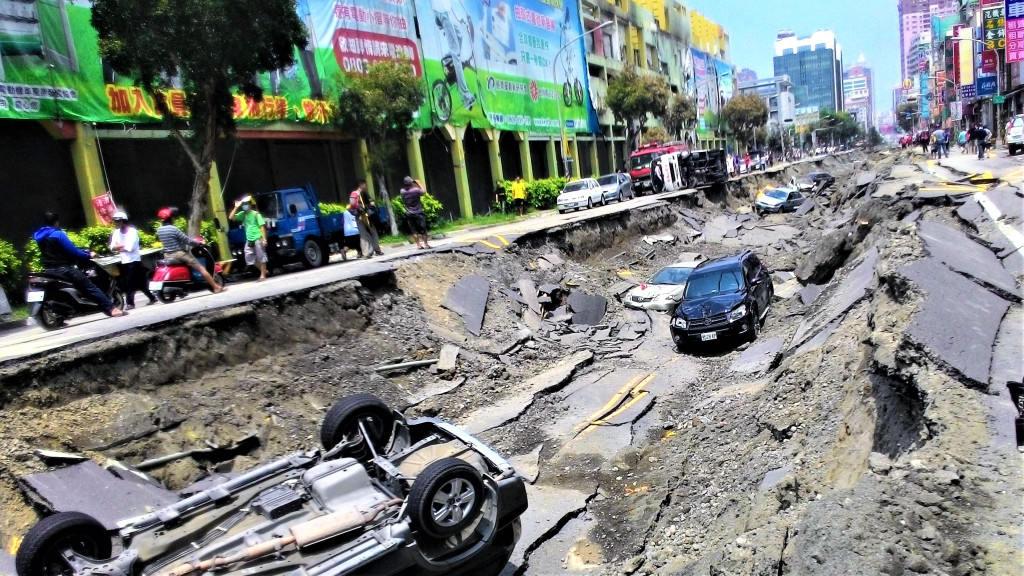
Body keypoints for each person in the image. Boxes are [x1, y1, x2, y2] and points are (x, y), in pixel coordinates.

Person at [33, 211, 124, 317]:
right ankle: (111, 309)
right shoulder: (58, 234)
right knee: (90, 286)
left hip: (48, 270)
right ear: (56, 222)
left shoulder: (39, 237)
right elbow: (74, 251)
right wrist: (89, 255)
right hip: (64, 269)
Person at [157, 207, 224, 292]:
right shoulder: (173, 229)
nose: (174, 218)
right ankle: (216, 287)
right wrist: (199, 243)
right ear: (170, 218)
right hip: (179, 254)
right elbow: (187, 240)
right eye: (173, 217)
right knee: (201, 268)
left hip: (167, 255)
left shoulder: (159, 230)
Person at [109, 211, 155, 309]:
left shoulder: (132, 232)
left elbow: (130, 248)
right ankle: (152, 297)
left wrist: (119, 247)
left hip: (134, 260)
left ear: (124, 221)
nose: (116, 223)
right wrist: (121, 246)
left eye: (118, 221)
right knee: (140, 282)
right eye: (115, 221)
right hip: (124, 260)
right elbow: (112, 247)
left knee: (129, 282)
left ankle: (130, 303)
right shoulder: (116, 233)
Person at [228, 196, 268, 280]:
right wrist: (236, 207)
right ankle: (263, 270)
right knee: (249, 258)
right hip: (249, 239)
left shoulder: (256, 214)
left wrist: (264, 239)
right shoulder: (243, 215)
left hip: (258, 238)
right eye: (243, 204)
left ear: (250, 205)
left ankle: (263, 275)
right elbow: (231, 217)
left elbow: (262, 227)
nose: (244, 205)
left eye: (246, 204)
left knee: (261, 257)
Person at [349, 180, 384, 258]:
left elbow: (351, 205)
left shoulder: (353, 194)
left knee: (363, 235)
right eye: (364, 184)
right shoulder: (364, 193)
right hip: (367, 215)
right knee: (373, 232)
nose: (365, 186)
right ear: (361, 185)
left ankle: (366, 253)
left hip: (358, 216)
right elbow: (372, 203)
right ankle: (377, 250)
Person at [400, 176, 432, 250]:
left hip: (409, 213)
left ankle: (418, 245)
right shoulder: (416, 190)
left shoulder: (402, 191)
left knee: (413, 230)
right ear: (411, 183)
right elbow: (424, 192)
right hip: (418, 212)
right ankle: (426, 244)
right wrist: (419, 183)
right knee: (423, 229)